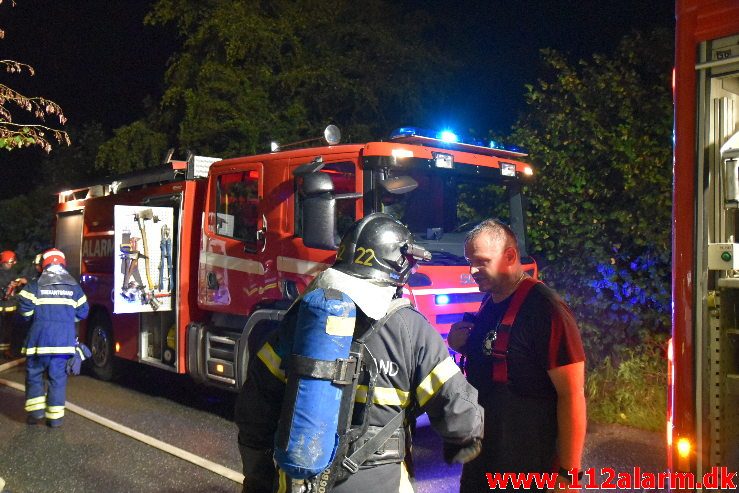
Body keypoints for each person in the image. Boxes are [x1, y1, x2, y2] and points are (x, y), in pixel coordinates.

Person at [235, 213, 484, 493]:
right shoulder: (411, 328)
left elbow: (254, 408)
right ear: (398, 265)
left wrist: (257, 479)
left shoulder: (302, 318)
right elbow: (461, 417)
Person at [447, 219, 586, 492]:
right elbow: (498, 356)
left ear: (510, 256)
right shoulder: (491, 300)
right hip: (481, 459)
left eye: (481, 261)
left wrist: (568, 474)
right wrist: (460, 344)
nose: (472, 270)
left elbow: (572, 394)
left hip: (526, 467)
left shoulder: (546, 310)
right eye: (469, 261)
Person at [17, 248, 89, 428]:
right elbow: (83, 311)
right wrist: (66, 320)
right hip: (63, 344)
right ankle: (55, 419)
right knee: (57, 380)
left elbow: (24, 308)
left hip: (39, 343)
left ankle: (36, 413)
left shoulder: (35, 285)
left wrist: (33, 317)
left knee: (34, 375)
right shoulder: (74, 286)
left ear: (44, 264)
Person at [0, 250, 26, 357]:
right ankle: (4, 352)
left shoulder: (12, 273)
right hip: (2, 307)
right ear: (4, 263)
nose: (12, 264)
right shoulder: (2, 274)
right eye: (10, 262)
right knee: (3, 330)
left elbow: (14, 287)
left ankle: (6, 351)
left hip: (11, 307)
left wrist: (19, 283)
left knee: (9, 331)